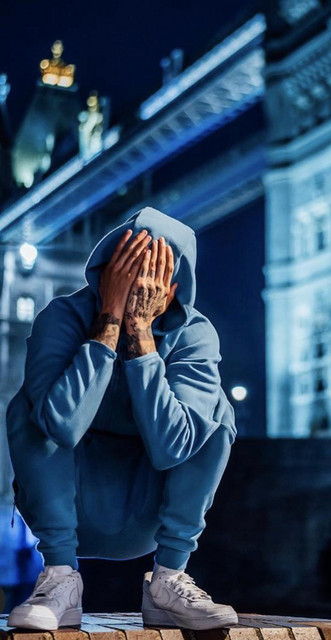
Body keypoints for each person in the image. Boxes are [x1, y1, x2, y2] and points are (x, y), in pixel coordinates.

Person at [6, 206, 238, 631]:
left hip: (149, 515)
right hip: (68, 508)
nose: (137, 289)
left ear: (174, 288)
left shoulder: (195, 334)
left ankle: (169, 580)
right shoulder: (62, 316)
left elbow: (172, 447)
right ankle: (60, 580)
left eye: (151, 278)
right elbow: (61, 424)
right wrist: (109, 322)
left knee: (216, 412)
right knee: (30, 406)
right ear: (106, 274)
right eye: (126, 273)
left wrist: (141, 337)